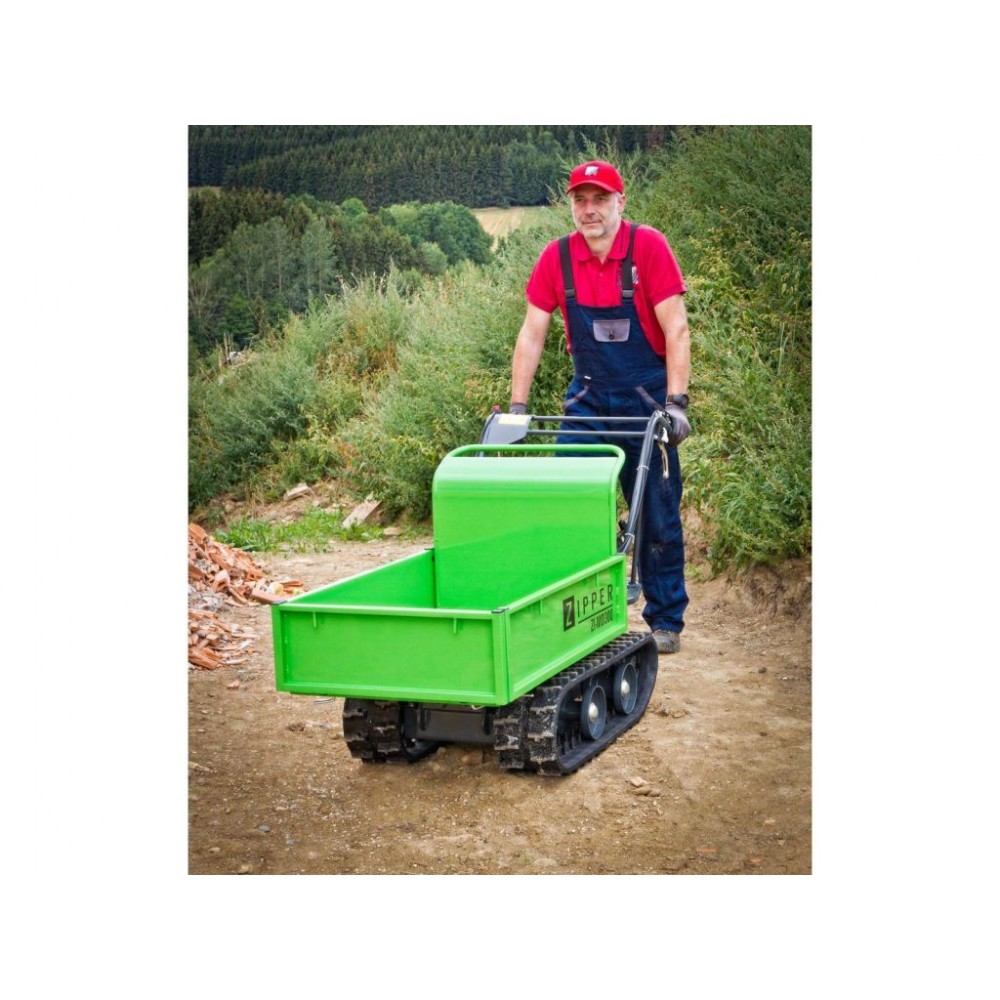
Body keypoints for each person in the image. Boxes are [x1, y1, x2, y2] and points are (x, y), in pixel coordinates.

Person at [509, 159, 691, 654]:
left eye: (600, 199)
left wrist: (676, 404)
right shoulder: (557, 258)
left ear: (620, 202)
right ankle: (578, 614)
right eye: (580, 200)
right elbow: (532, 333)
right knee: (568, 500)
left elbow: (676, 329)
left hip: (646, 398)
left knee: (656, 510)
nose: (589, 210)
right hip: (588, 398)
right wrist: (517, 407)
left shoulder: (647, 248)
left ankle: (665, 618)